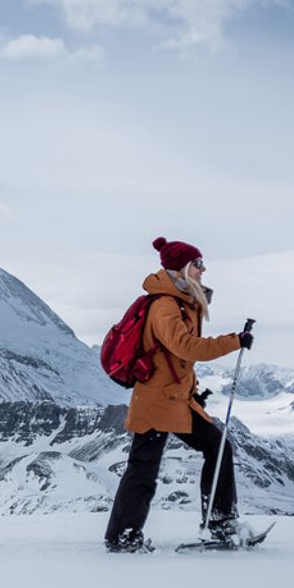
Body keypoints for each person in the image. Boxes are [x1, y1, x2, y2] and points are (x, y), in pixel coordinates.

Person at [104, 237, 254, 553]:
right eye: (197, 264)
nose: (203, 269)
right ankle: (122, 537)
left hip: (175, 399)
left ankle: (221, 521)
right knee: (143, 467)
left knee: (217, 446)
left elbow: (175, 361)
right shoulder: (164, 305)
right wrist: (233, 342)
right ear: (182, 268)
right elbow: (184, 347)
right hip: (157, 401)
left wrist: (193, 392)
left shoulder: (180, 302)